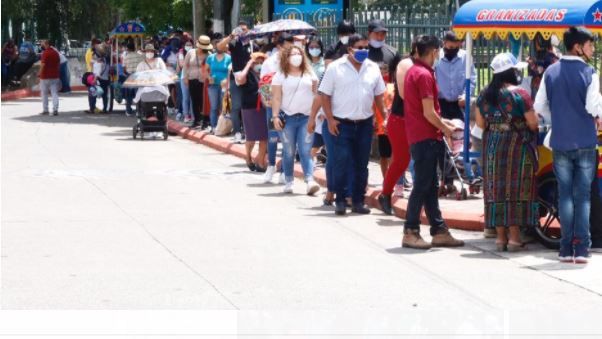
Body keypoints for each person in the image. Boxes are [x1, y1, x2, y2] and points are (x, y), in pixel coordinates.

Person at [534, 26, 602, 263]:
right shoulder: (589, 73)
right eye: (590, 44)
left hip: (560, 142)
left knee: (565, 196)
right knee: (582, 196)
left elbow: (539, 107)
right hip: (585, 142)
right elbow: (594, 107)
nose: (593, 49)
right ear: (578, 47)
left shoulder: (550, 72)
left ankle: (565, 249)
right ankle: (581, 249)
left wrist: (558, 117)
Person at [401, 35, 464, 249]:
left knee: (429, 185)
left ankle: (438, 229)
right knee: (422, 185)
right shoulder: (424, 74)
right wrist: (445, 128)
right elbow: (428, 113)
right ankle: (410, 230)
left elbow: (426, 111)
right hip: (425, 136)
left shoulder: (414, 71)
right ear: (434, 52)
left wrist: (443, 122)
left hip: (421, 134)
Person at [475, 52, 539, 252]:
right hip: (517, 146)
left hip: (493, 145)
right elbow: (533, 123)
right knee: (518, 189)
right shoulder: (520, 94)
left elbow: (480, 123)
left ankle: (500, 238)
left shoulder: (484, 95)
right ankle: (514, 238)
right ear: (510, 72)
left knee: (496, 190)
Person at [319, 33, 387, 215]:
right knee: (341, 162)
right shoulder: (335, 68)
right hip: (342, 124)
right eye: (360, 47)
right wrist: (331, 119)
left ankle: (358, 201)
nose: (364, 51)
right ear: (350, 49)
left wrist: (384, 116)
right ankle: (340, 200)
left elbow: (379, 95)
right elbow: (324, 95)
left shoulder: (372, 68)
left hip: (364, 123)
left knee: (361, 164)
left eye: (366, 48)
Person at [271, 45, 321, 195]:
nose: (296, 56)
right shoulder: (280, 75)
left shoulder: (309, 72)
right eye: (292, 54)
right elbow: (276, 97)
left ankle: (309, 180)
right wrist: (274, 116)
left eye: (298, 53)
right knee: (289, 151)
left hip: (306, 117)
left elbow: (316, 93)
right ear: (286, 57)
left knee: (306, 150)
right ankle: (289, 180)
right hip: (288, 118)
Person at [377, 43, 417, 215]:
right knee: (401, 161)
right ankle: (386, 193)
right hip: (401, 120)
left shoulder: (425, 69)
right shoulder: (406, 66)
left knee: (417, 161)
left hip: (416, 121)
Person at [261, 33, 294, 184]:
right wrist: (266, 99)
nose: (290, 49)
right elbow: (263, 83)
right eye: (287, 46)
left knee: (287, 139)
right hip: (273, 104)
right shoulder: (269, 62)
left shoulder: (296, 61)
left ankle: (284, 170)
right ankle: (271, 165)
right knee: (273, 137)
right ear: (279, 46)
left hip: (290, 105)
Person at [217, 20, 256, 143]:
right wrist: (231, 36)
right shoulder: (235, 43)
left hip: (250, 79)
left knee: (248, 106)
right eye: (240, 30)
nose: (242, 32)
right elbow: (219, 47)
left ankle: (247, 131)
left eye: (244, 30)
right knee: (236, 106)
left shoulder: (252, 45)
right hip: (236, 79)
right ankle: (237, 132)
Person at [235, 52, 268, 172]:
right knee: (251, 137)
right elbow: (239, 79)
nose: (259, 64)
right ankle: (248, 157)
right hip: (250, 108)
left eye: (261, 62)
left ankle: (260, 162)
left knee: (264, 136)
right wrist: (248, 65)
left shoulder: (265, 74)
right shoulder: (247, 74)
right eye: (256, 62)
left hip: (264, 107)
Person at [435, 31, 476, 122]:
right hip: (441, 103)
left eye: (457, 47)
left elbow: (471, 79)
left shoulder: (466, 57)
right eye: (451, 47)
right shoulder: (436, 57)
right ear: (444, 43)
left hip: (460, 104)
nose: (453, 50)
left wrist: (466, 95)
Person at [182, 36, 210, 129]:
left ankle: (205, 120)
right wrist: (185, 77)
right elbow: (185, 65)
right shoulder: (191, 52)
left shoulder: (209, 54)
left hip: (204, 80)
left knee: (203, 100)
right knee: (194, 100)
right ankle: (196, 120)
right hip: (192, 79)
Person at [306, 37, 326, 163]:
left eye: (316, 47)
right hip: (305, 99)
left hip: (320, 99)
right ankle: (306, 154)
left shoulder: (325, 64)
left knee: (319, 127)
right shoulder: (304, 63)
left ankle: (313, 154)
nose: (314, 50)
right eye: (311, 47)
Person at [206, 41, 232, 133]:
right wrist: (208, 77)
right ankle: (213, 126)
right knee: (213, 107)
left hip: (225, 86)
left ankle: (224, 127)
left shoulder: (229, 58)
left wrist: (227, 81)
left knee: (224, 107)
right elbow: (205, 70)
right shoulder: (210, 57)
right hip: (213, 85)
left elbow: (231, 71)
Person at [37, 40, 61, 116]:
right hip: (55, 76)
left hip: (45, 76)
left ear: (46, 44)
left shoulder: (45, 53)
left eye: (42, 44)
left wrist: (39, 73)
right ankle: (55, 109)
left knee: (44, 94)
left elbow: (43, 65)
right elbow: (58, 63)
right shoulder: (56, 53)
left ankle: (45, 110)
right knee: (54, 93)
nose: (41, 45)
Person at [123, 42, 144, 116]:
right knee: (138, 94)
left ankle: (128, 111)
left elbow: (124, 70)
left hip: (129, 76)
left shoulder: (126, 57)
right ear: (134, 48)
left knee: (128, 95)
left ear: (128, 49)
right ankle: (139, 111)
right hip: (138, 76)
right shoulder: (140, 56)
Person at [91, 43, 111, 113]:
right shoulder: (107, 60)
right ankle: (105, 109)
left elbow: (98, 73)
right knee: (105, 95)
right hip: (106, 79)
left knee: (93, 93)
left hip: (99, 79)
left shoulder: (100, 61)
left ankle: (93, 107)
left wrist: (94, 80)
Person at [177, 39, 194, 122]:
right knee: (186, 97)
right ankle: (186, 115)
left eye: (190, 44)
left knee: (192, 98)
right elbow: (181, 64)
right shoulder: (181, 53)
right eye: (187, 44)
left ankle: (192, 115)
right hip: (184, 77)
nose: (188, 46)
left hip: (194, 77)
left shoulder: (195, 53)